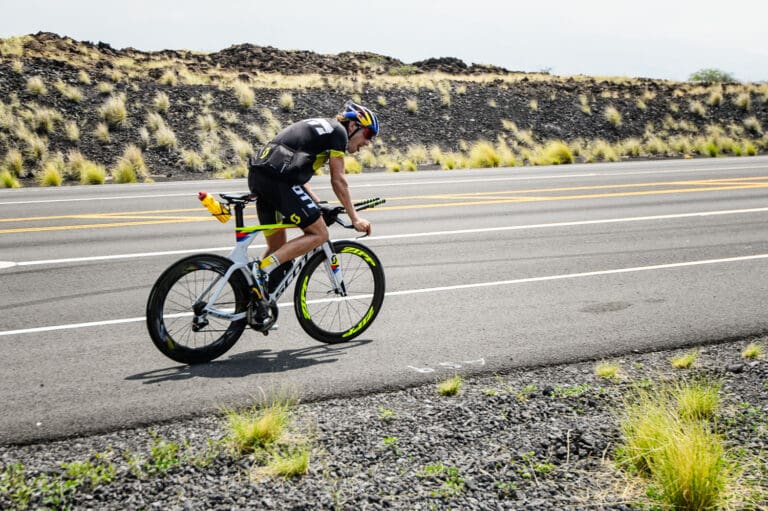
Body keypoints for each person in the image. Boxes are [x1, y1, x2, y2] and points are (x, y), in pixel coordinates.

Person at [247, 100, 379, 287]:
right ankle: (260, 270)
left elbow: (298, 180)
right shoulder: (339, 133)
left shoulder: (324, 130)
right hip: (278, 180)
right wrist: (355, 218)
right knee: (320, 234)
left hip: (260, 176)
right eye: (367, 134)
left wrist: (317, 205)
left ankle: (251, 304)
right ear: (352, 125)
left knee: (278, 252)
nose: (367, 142)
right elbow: (338, 180)